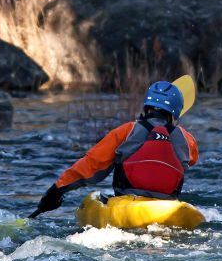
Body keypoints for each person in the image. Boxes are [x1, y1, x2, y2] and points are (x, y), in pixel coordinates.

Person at [30, 81, 199, 217]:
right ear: (175, 113)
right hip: (168, 206)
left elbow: (91, 165)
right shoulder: (187, 139)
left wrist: (56, 191)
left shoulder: (126, 131)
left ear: (146, 107)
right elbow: (192, 159)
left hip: (127, 204)